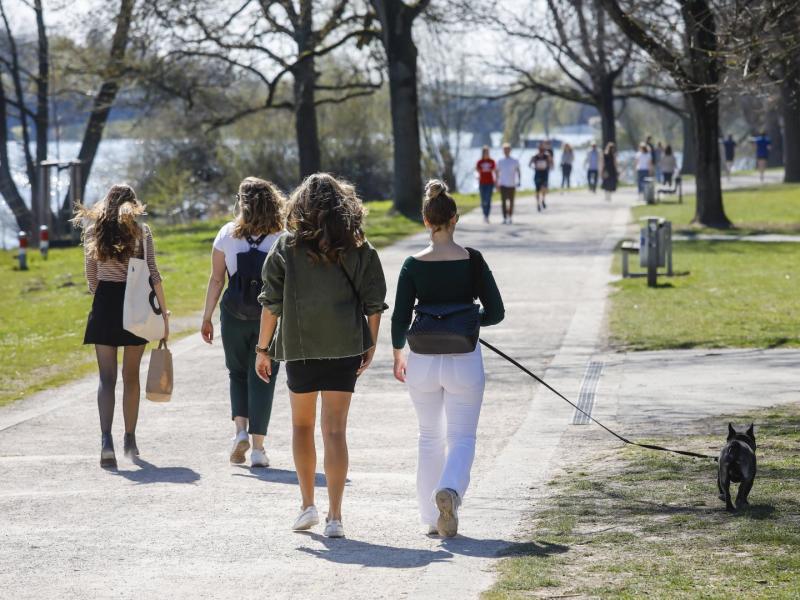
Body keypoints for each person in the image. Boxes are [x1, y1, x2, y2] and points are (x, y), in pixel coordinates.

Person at [256, 173, 388, 539]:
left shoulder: (286, 247)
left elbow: (271, 304)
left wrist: (263, 348)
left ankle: (306, 505)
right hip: (345, 347)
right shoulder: (360, 248)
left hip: (300, 349)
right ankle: (335, 516)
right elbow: (375, 303)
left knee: (301, 427)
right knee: (335, 431)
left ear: (299, 205)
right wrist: (370, 344)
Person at [391, 180, 505, 538]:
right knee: (462, 437)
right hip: (464, 358)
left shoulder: (412, 264)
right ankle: (451, 492)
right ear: (455, 219)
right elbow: (497, 312)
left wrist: (398, 353)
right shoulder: (473, 260)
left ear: (426, 221)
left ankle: (429, 518)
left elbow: (399, 317)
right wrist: (469, 324)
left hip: (422, 358)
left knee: (428, 436)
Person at [73, 184, 169, 469]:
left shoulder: (94, 231)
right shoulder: (141, 231)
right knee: (131, 377)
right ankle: (129, 437)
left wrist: (101, 294)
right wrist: (163, 313)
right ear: (133, 203)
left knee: (106, 378)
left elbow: (91, 277)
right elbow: (153, 273)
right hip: (135, 306)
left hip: (104, 303)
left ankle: (105, 441)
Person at [201, 177, 286, 468]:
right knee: (264, 377)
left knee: (237, 373)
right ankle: (259, 448)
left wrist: (207, 317)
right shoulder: (282, 237)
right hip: (270, 318)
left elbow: (216, 279)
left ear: (242, 203)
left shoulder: (226, 234)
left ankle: (240, 431)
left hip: (234, 314)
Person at [495, 143, 520, 224]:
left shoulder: (515, 161)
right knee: (503, 202)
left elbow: (518, 171)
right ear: (503, 151)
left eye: (508, 149)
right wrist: (497, 183)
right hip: (503, 184)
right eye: (505, 150)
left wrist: (519, 180)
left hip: (512, 184)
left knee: (511, 202)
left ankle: (510, 216)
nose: (506, 151)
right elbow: (497, 172)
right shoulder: (500, 161)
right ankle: (504, 217)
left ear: (510, 150)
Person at [475, 146, 496, 224]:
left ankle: (487, 215)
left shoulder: (492, 161)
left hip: (490, 183)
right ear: (483, 153)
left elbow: (494, 169)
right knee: (483, 200)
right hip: (482, 183)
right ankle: (484, 214)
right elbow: (477, 169)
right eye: (485, 152)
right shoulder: (479, 162)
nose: (486, 154)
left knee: (488, 199)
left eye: (487, 152)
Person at [529, 143, 551, 212]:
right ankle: (538, 204)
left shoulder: (547, 156)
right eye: (540, 148)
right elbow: (529, 164)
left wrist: (548, 167)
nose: (541, 150)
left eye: (542, 149)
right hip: (537, 173)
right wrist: (534, 168)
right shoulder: (535, 156)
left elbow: (551, 163)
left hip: (544, 173)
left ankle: (543, 200)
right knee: (537, 190)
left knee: (544, 188)